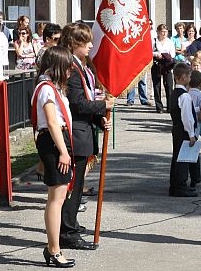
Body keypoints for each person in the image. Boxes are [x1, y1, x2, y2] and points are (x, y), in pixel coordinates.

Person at [58, 23, 113, 251]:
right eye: (86, 41)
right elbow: (77, 103)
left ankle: (71, 224)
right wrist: (103, 105)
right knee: (72, 187)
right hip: (76, 135)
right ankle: (67, 233)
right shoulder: (71, 69)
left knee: (77, 187)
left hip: (85, 131)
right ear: (73, 44)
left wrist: (100, 117)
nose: (91, 44)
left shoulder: (81, 67)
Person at [32, 46, 76, 268]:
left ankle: (53, 247)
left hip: (55, 140)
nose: (70, 70)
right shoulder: (47, 88)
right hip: (53, 140)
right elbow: (51, 122)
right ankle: (54, 250)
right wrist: (64, 151)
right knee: (56, 199)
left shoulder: (52, 86)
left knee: (57, 198)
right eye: (67, 66)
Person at [169, 63, 199, 197]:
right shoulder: (185, 96)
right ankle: (180, 185)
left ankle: (175, 184)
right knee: (183, 158)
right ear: (182, 77)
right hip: (184, 130)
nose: (190, 78)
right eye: (189, 75)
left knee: (177, 156)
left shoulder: (175, 93)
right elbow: (187, 117)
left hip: (176, 128)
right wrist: (191, 134)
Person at [152, 24, 176, 114]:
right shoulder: (154, 41)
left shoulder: (170, 42)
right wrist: (156, 54)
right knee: (156, 85)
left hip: (167, 65)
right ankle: (159, 107)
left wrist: (163, 55)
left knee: (169, 86)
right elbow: (149, 52)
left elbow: (173, 54)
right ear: (158, 32)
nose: (164, 33)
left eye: (165, 32)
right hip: (157, 64)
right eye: (162, 31)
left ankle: (170, 107)